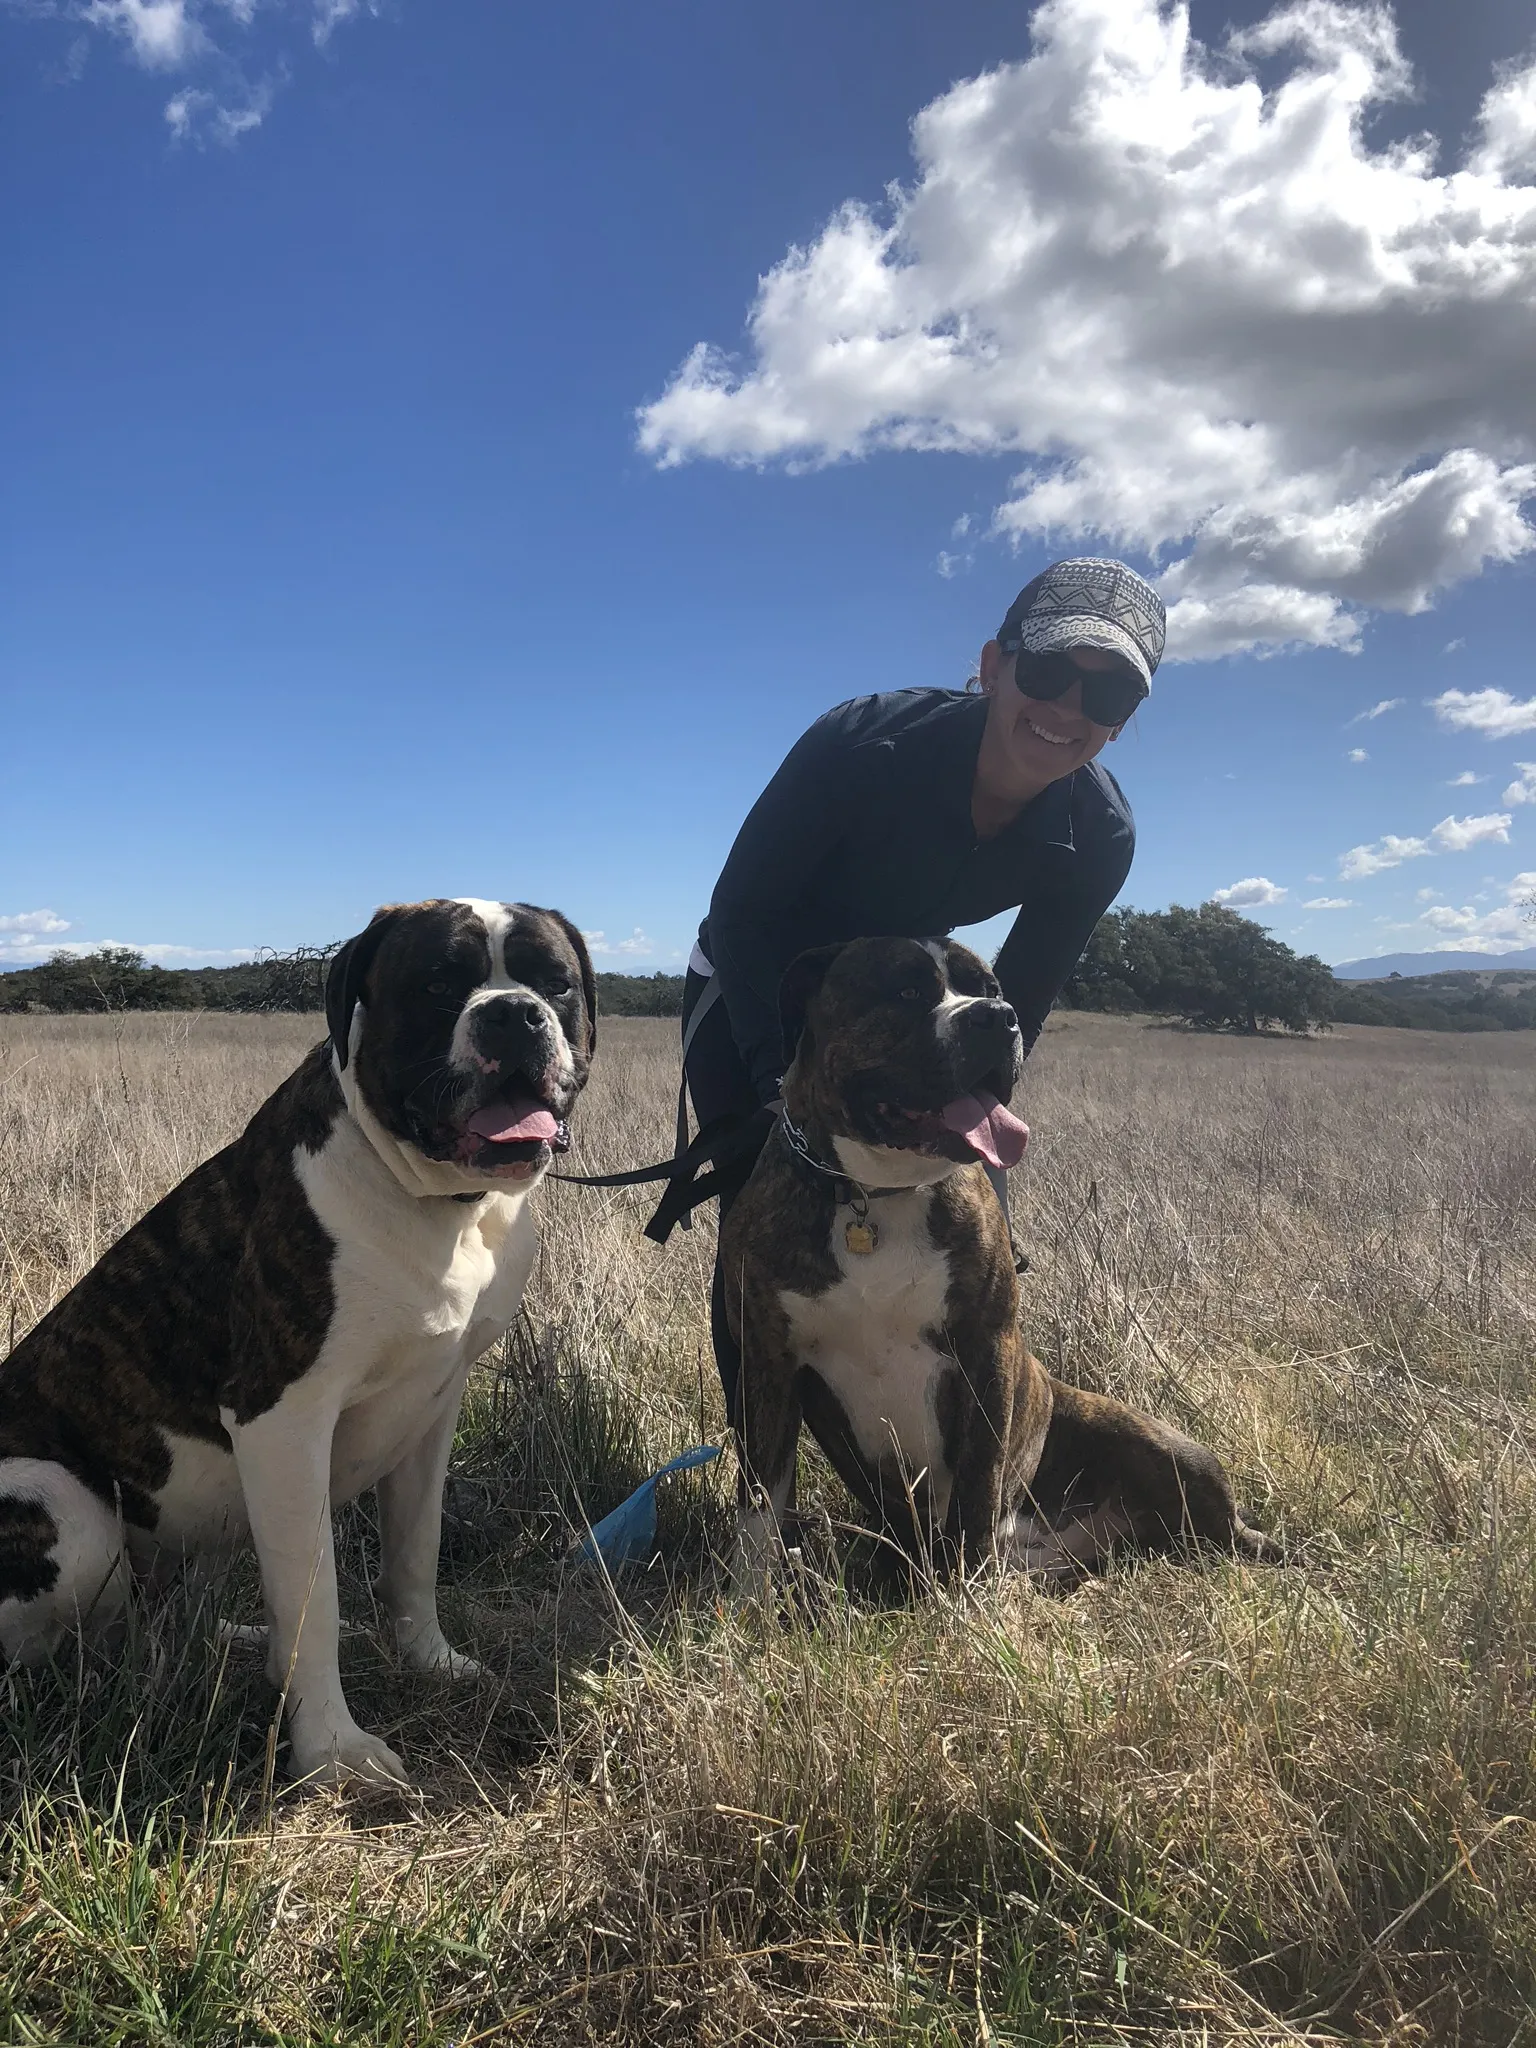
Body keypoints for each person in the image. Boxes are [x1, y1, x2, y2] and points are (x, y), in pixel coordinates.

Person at [681, 555, 1165, 1416]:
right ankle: (760, 1492)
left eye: (1107, 698)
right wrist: (774, 1079)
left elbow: (1022, 997)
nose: (1065, 711)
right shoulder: (863, 744)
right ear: (991, 664)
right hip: (760, 979)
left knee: (982, 1235)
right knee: (760, 1228)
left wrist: (973, 1107)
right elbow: (743, 913)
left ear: (1122, 723)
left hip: (908, 1004)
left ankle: (927, 1490)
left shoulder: (1099, 834)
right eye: (1048, 672)